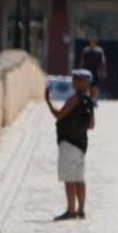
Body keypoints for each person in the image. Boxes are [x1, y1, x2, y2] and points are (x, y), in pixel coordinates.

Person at [44, 69, 96, 220]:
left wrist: (48, 102)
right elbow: (91, 125)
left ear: (82, 82)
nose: (73, 82)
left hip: (68, 142)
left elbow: (59, 115)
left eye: (76, 79)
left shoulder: (75, 99)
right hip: (81, 144)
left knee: (69, 178)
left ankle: (70, 210)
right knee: (80, 178)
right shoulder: (88, 100)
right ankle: (81, 210)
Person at [78, 37, 108, 103]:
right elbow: (82, 60)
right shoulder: (86, 50)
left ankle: (94, 99)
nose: (92, 42)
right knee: (86, 85)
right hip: (87, 71)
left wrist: (103, 71)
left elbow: (103, 61)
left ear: (96, 42)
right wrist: (80, 70)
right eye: (91, 41)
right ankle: (87, 98)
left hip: (95, 71)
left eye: (93, 41)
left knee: (95, 86)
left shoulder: (99, 51)